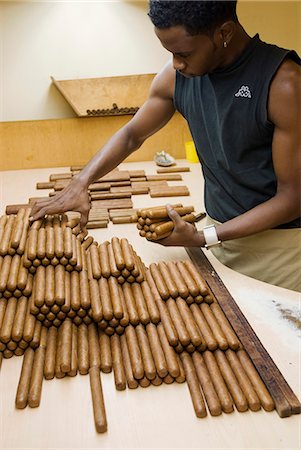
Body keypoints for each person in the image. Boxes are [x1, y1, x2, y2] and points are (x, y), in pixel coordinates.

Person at [31, 1, 301, 291]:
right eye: (170, 53)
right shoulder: (178, 76)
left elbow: (293, 197)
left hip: (280, 253)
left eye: (183, 53)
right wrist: (80, 183)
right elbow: (132, 135)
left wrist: (204, 238)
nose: (175, 64)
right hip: (218, 238)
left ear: (224, 32)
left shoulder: (285, 84)